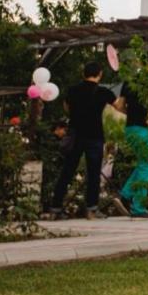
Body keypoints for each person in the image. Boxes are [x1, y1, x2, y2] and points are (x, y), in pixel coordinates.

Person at [48, 61, 116, 219]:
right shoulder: (103, 92)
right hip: (94, 135)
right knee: (93, 174)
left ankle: (55, 208)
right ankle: (92, 209)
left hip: (76, 134)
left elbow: (66, 106)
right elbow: (118, 105)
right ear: (100, 74)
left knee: (67, 171)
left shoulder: (73, 90)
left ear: (83, 74)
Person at [115, 55, 148, 218]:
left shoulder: (130, 81)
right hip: (144, 130)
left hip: (130, 129)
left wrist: (132, 114)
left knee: (143, 164)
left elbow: (119, 106)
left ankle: (126, 195)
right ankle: (138, 207)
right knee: (147, 166)